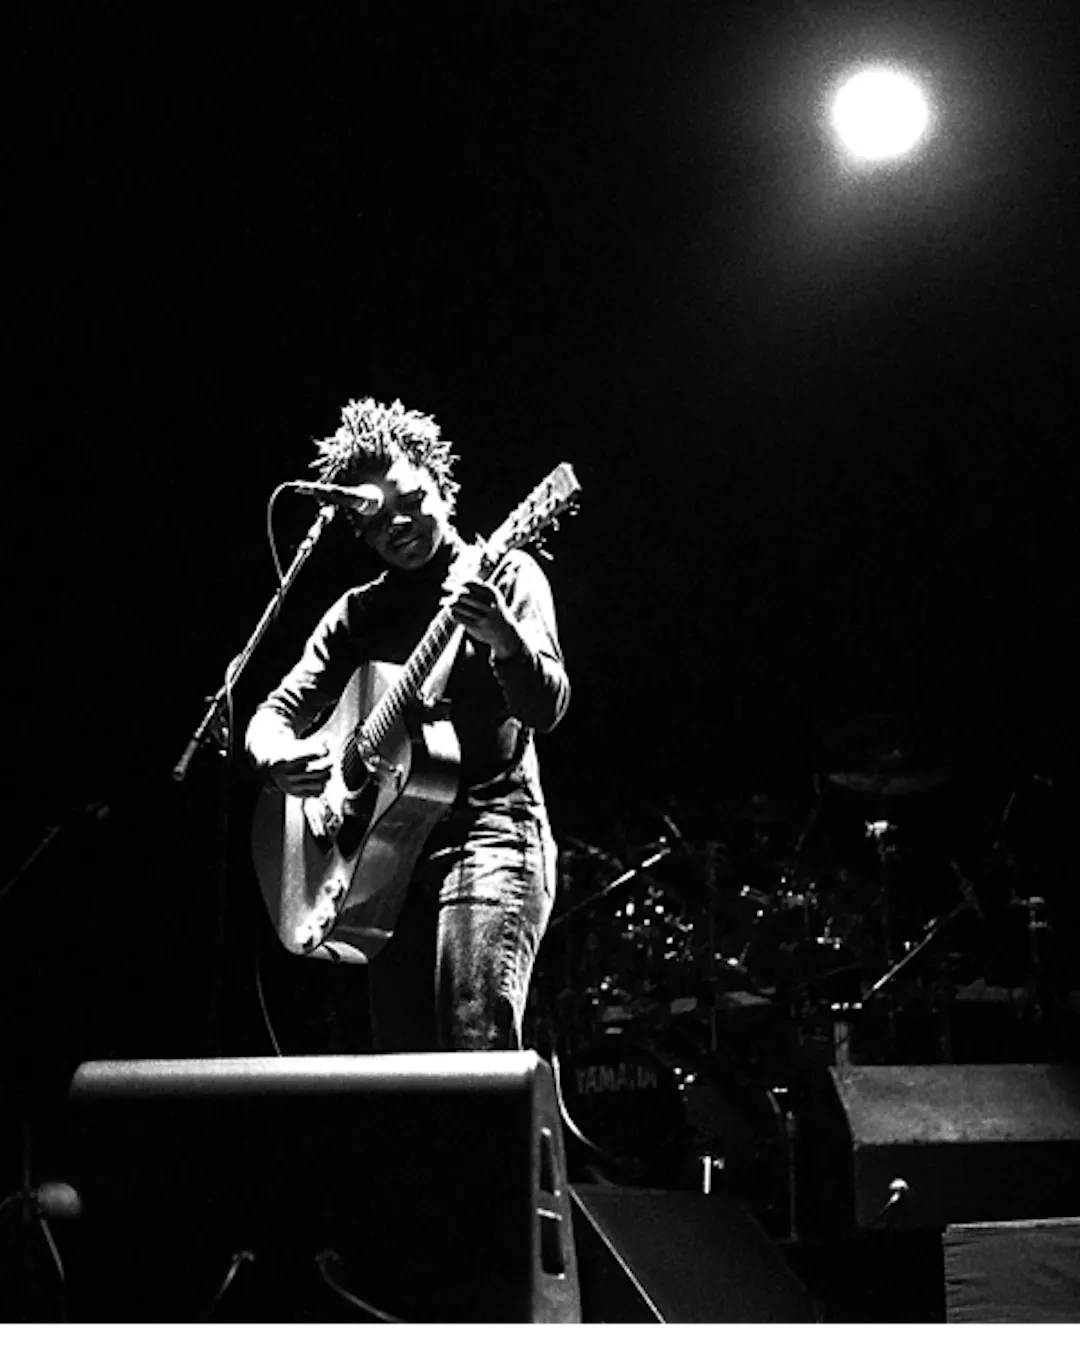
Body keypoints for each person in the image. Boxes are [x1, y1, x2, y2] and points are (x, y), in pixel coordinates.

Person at [245, 397, 570, 1053]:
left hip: (491, 832)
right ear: (357, 532)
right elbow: (270, 716)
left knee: (474, 1042)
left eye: (413, 498)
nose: (401, 523)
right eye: (378, 517)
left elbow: (547, 707)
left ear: (439, 483)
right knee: (404, 1072)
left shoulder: (506, 573)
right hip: (389, 854)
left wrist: (505, 637)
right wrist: (275, 754)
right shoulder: (355, 614)